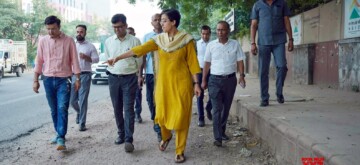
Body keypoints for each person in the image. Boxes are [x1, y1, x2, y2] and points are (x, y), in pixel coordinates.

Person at [108, 9, 201, 163]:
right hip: (163, 85)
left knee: (181, 117)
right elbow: (139, 50)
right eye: (160, 20)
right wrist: (118, 57)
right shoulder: (158, 40)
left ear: (173, 22)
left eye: (164, 20)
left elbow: (193, 63)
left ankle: (180, 149)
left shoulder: (187, 40)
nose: (160, 23)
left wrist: (197, 83)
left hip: (182, 85)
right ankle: (166, 136)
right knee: (161, 116)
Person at [33, 15, 81, 151]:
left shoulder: (69, 41)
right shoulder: (43, 41)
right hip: (47, 79)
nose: (50, 32)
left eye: (53, 29)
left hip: (64, 79)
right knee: (54, 109)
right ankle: (58, 132)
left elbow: (75, 61)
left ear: (59, 27)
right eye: (48, 29)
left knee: (62, 108)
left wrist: (78, 79)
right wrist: (35, 80)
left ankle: (61, 137)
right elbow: (39, 61)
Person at [201, 21, 246, 147]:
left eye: (223, 30)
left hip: (230, 81)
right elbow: (207, 64)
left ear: (228, 31)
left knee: (226, 108)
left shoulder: (235, 44)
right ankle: (218, 137)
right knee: (217, 109)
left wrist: (242, 76)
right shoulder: (211, 45)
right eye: (218, 30)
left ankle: (222, 131)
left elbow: (240, 61)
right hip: (214, 80)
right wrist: (204, 80)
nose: (220, 32)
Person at [104, 14, 142, 153]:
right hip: (113, 78)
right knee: (117, 108)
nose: (117, 30)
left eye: (120, 27)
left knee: (128, 108)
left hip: (129, 79)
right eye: (114, 27)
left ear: (126, 25)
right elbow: (108, 57)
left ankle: (128, 139)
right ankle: (121, 133)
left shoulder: (135, 41)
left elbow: (139, 60)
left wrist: (139, 76)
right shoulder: (108, 41)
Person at [250, 0, 294, 107]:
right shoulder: (257, 5)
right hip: (264, 42)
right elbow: (254, 25)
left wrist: (291, 39)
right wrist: (252, 42)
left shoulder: (282, 3)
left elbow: (286, 20)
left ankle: (279, 92)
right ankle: (264, 98)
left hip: (279, 41)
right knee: (263, 71)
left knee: (282, 66)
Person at [70, 24, 99, 131]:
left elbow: (96, 59)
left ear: (85, 33)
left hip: (85, 75)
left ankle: (82, 123)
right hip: (73, 75)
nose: (79, 34)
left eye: (81, 32)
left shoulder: (90, 46)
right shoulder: (72, 45)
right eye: (77, 32)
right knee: (72, 100)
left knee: (82, 100)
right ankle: (79, 112)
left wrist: (87, 57)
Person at [139, 13, 163, 142]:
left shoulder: (168, 36)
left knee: (163, 99)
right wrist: (140, 75)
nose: (158, 22)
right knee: (150, 99)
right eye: (155, 20)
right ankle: (156, 121)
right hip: (150, 74)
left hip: (165, 74)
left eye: (160, 19)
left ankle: (162, 126)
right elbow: (143, 56)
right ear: (151, 22)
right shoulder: (147, 37)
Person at [196, 25, 213, 127]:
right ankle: (201, 118)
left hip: (212, 71)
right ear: (200, 34)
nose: (205, 36)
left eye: (207, 34)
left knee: (213, 93)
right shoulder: (196, 44)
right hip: (199, 71)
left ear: (210, 34)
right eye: (203, 34)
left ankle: (208, 107)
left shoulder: (213, 44)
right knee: (199, 95)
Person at [126, 27, 143, 123]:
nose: (129, 35)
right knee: (128, 97)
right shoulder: (125, 46)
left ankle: (138, 114)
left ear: (134, 33)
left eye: (131, 33)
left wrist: (140, 76)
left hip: (136, 75)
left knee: (137, 95)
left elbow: (141, 62)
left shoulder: (137, 44)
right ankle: (130, 115)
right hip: (127, 76)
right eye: (128, 33)